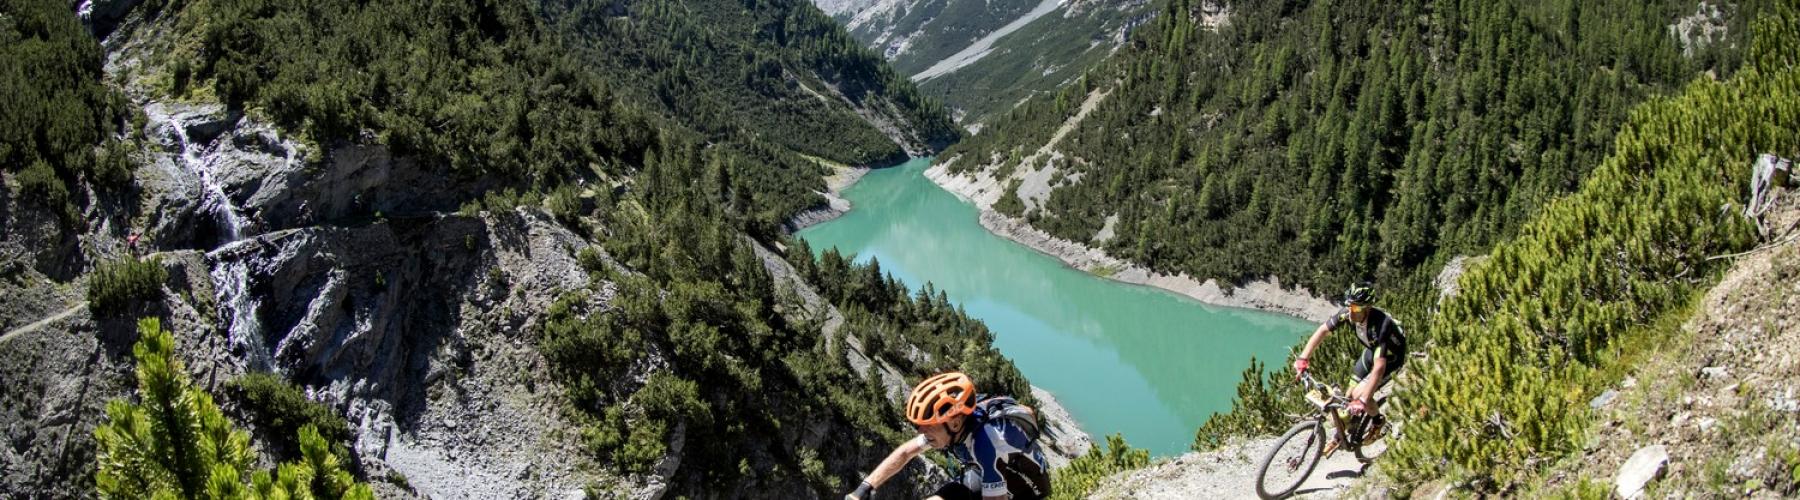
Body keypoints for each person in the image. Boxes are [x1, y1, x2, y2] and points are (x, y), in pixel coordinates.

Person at [846, 372, 1051, 500]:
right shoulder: (954, 427)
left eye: (927, 427)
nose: (921, 433)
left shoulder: (988, 445)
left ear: (954, 422)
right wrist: (865, 487)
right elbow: (905, 452)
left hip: (1022, 487)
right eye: (919, 426)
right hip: (984, 470)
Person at [1292, 282, 1406, 439]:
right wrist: (1303, 358)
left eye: (1356, 308)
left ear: (1368, 308)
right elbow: (1323, 330)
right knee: (1348, 394)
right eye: (1350, 306)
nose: (1351, 312)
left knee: (1360, 395)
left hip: (1391, 358)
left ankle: (1378, 421)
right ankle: (1352, 426)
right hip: (1372, 352)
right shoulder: (1348, 313)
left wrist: (1363, 400)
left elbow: (1379, 368)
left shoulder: (1380, 326)